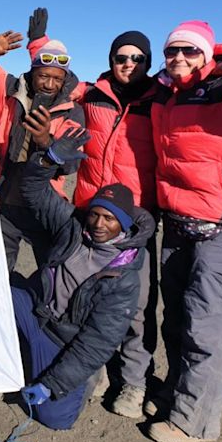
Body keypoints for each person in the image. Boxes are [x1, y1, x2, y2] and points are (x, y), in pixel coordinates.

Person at [0, 129, 155, 432]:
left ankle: (86, 378)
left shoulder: (124, 276)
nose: (99, 224)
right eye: (95, 215)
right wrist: (48, 159)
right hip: (37, 311)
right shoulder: (73, 226)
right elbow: (32, 190)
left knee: (54, 418)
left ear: (124, 224)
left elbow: (97, 342)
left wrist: (53, 384)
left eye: (110, 219)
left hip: (65, 339)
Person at [144, 22, 222, 442]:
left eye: (190, 51)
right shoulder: (172, 94)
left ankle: (193, 421)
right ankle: (178, 394)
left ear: (206, 54)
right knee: (176, 319)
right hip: (179, 221)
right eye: (172, 50)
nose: (179, 57)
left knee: (207, 327)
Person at [70, 30, 159, 417]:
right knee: (87, 298)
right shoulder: (92, 95)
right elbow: (49, 77)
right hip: (92, 213)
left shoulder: (161, 100)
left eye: (137, 58)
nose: (128, 64)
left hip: (136, 221)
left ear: (148, 62)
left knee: (136, 308)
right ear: (110, 59)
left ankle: (134, 381)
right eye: (121, 57)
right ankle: (97, 370)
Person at [0, 8, 85, 270]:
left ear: (65, 80)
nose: (48, 84)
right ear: (32, 74)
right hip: (5, 202)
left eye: (57, 79)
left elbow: (71, 166)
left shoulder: (72, 110)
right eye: (43, 76)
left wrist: (47, 142)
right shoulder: (12, 91)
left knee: (49, 277)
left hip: (44, 207)